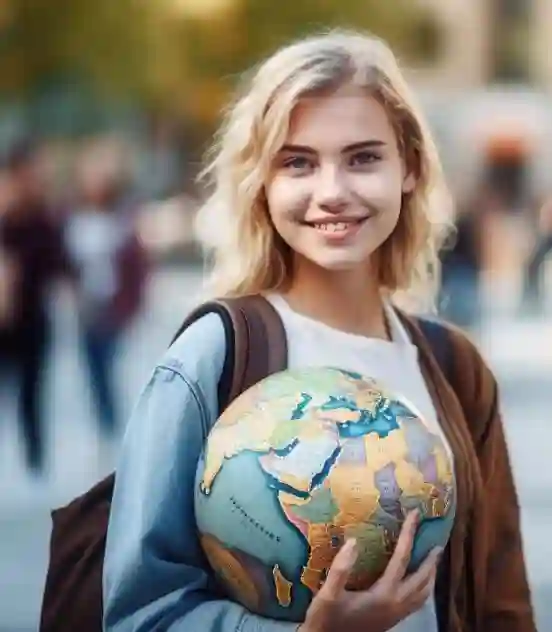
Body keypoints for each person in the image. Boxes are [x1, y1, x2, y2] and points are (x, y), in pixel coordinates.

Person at [103, 30, 535, 632]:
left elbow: (501, 600)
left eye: (363, 158)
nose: (332, 193)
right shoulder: (215, 356)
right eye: (298, 162)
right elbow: (141, 614)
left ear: (409, 167)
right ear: (263, 181)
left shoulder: (454, 366)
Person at [0, 138, 70, 475]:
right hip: (4, 323)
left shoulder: (45, 219)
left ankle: (35, 462)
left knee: (32, 394)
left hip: (32, 322)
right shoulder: (5, 218)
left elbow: (61, 265)